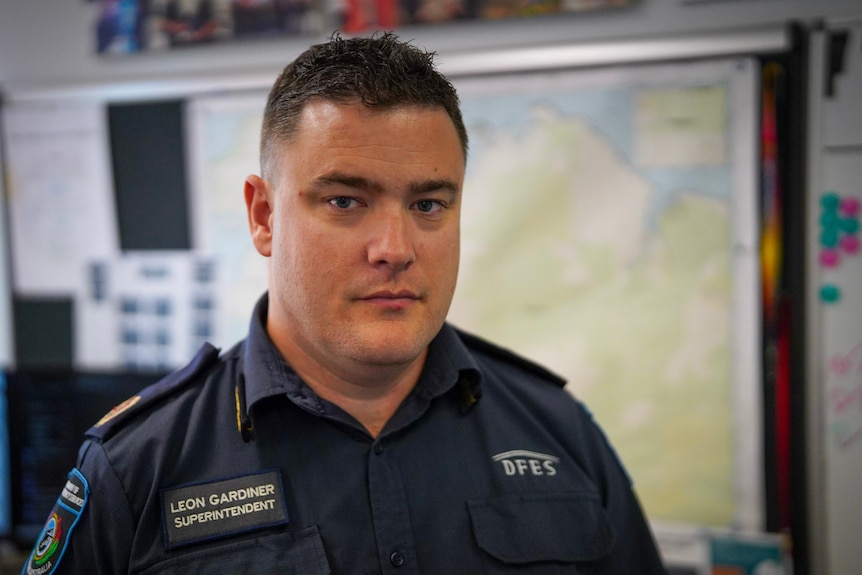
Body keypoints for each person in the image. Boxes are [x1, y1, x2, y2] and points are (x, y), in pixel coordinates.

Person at [22, 33, 667, 574]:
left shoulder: (560, 434)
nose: (395, 248)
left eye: (428, 204)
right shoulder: (137, 466)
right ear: (264, 215)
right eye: (345, 201)